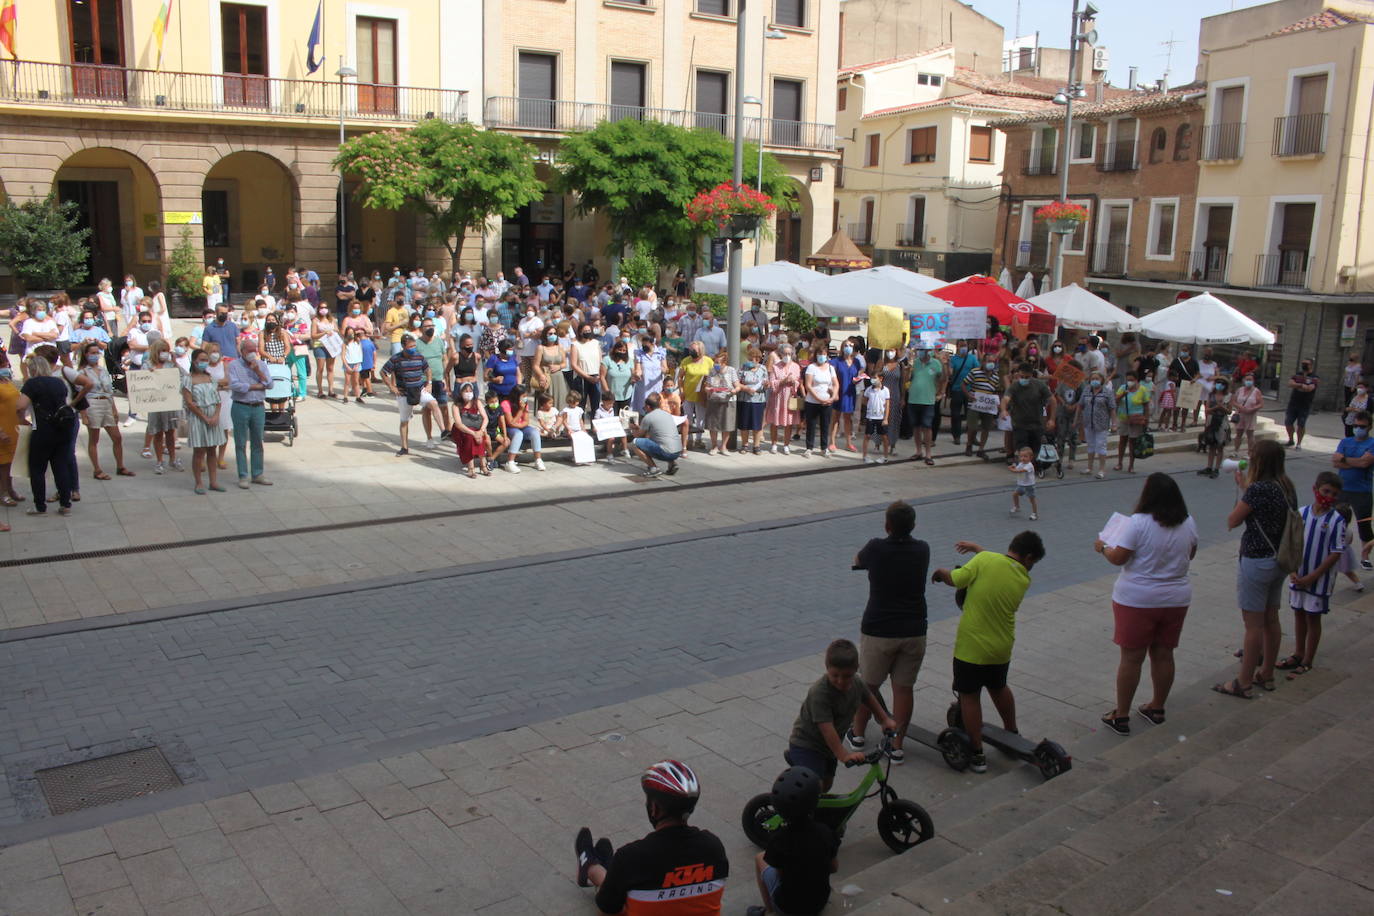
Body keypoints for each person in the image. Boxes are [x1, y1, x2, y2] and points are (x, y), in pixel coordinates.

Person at [930, 531, 1046, 773]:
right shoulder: (1022, 577)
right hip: (1001, 646)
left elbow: (957, 579)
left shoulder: (985, 561)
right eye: (1032, 562)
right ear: (1027, 557)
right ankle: (1011, 732)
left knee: (969, 696)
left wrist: (941, 573)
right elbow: (997, 563)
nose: (1030, 567)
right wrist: (977, 548)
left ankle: (977, 753)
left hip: (972, 646)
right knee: (998, 686)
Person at [1094, 473, 1198, 735]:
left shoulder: (1138, 523)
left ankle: (1121, 715)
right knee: (1164, 653)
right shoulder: (1187, 522)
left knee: (1131, 658)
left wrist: (1102, 547)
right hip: (1176, 597)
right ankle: (1157, 707)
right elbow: (1191, 553)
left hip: (1137, 598)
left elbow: (1119, 558)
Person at [573, 760, 728, 915]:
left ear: (654, 808)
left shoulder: (631, 857)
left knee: (613, 904)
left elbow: (608, 907)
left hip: (624, 877)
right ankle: (596, 869)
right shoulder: (713, 847)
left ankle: (591, 867)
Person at [847, 501, 928, 761]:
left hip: (879, 629)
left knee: (867, 686)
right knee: (903, 689)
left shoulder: (876, 547)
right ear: (913, 526)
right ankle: (896, 746)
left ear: (887, 525)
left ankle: (858, 734)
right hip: (914, 629)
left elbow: (858, 560)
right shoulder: (922, 549)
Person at [1217, 439, 1295, 698]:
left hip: (1256, 560)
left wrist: (1243, 491)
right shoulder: (1286, 485)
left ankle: (1244, 680)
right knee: (1272, 618)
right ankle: (1267, 673)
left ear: (1260, 460)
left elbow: (1233, 520)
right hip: (1280, 560)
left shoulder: (1258, 489)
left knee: (1253, 625)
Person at [785, 639, 896, 792]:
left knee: (826, 786)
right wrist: (844, 755)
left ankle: (803, 778)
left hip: (829, 748)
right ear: (827, 668)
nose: (840, 681)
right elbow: (826, 728)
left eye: (847, 676)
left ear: (856, 669)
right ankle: (791, 786)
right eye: (835, 675)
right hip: (807, 745)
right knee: (813, 786)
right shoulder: (820, 693)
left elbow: (869, 698)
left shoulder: (857, 683)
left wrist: (884, 720)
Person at [1275, 471, 1346, 678]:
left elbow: (1335, 552)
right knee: (1298, 613)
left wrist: (1313, 576)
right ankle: (1298, 652)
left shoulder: (1336, 520)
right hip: (1299, 574)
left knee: (1312, 618)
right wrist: (1294, 571)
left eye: (1333, 494)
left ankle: (1308, 659)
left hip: (1319, 580)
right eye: (1325, 491)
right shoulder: (1302, 513)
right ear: (1316, 490)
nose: (1328, 497)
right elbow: (1291, 543)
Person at [747, 767, 837, 916]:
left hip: (788, 906)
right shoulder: (825, 832)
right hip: (819, 902)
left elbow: (780, 873)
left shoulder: (779, 840)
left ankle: (770, 911)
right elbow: (834, 867)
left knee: (759, 859)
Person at [18, 354, 80, 516]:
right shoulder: (59, 382)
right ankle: (65, 504)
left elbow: (21, 406)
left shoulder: (31, 384)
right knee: (60, 467)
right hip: (62, 429)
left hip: (43, 430)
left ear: (32, 369)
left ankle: (40, 506)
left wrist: (22, 420)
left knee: (37, 469)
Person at [76, 341, 133, 480]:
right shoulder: (82, 372)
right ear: (86, 355)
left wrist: (114, 409)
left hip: (106, 403)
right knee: (94, 439)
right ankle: (97, 469)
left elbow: (109, 391)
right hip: (92, 404)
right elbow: (79, 395)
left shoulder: (103, 370)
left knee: (117, 437)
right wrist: (83, 414)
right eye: (92, 353)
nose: (96, 355)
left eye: (97, 353)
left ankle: (120, 466)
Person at [381, 334, 438, 457]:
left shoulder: (419, 357)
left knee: (433, 403)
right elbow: (383, 372)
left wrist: (429, 383)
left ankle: (444, 431)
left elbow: (427, 369)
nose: (413, 348)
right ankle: (404, 447)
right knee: (404, 421)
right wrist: (392, 387)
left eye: (414, 346)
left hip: (419, 389)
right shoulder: (396, 359)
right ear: (403, 346)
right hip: (404, 394)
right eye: (410, 346)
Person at [227, 338, 274, 488]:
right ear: (242, 351)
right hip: (241, 406)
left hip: (258, 406)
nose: (252, 353)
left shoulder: (261, 365)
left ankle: (257, 474)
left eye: (254, 350)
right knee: (240, 442)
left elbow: (270, 384)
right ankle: (243, 475)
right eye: (249, 350)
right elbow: (235, 385)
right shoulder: (234, 365)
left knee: (257, 442)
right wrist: (256, 386)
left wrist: (257, 371)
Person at [181, 348, 227, 494]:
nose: (204, 362)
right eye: (201, 359)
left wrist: (215, 416)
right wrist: (204, 417)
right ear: (194, 361)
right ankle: (199, 482)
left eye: (205, 360)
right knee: (199, 451)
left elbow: (218, 400)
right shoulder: (188, 379)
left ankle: (213, 481)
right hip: (198, 417)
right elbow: (189, 402)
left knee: (212, 450)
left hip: (212, 415)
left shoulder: (211, 378)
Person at [1333, 410, 1374, 569]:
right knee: (1336, 522)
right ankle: (1332, 551)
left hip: (1362, 490)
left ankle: (1365, 556)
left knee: (1364, 525)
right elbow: (1336, 463)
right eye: (1356, 425)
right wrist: (1356, 462)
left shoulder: (1372, 443)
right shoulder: (1345, 442)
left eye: (1362, 426)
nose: (1358, 428)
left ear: (1369, 426)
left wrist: (1344, 460)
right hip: (1342, 488)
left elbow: (1365, 464)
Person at [1003, 361, 1053, 468]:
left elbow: (1052, 400)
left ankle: (1033, 466)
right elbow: (1006, 398)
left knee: (1035, 448)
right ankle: (1024, 467)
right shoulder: (1015, 386)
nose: (1024, 379)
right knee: (1023, 448)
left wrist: (1051, 419)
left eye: (1027, 377)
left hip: (1036, 423)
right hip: (1020, 424)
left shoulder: (1039, 385)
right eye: (1022, 376)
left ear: (1031, 375)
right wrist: (1004, 410)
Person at [906, 347, 944, 466]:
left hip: (928, 401)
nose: (920, 352)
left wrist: (941, 392)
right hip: (913, 399)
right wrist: (908, 367)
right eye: (919, 350)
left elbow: (943, 378)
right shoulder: (915, 362)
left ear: (928, 350)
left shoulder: (936, 363)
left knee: (927, 427)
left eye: (922, 349)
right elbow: (906, 379)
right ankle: (918, 451)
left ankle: (928, 454)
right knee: (916, 427)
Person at [631, 392, 682, 478]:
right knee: (663, 440)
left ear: (648, 407)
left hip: (666, 452)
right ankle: (672, 463)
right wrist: (639, 428)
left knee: (635, 443)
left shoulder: (648, 417)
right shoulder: (667, 414)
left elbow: (638, 435)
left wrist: (632, 429)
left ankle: (653, 468)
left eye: (644, 407)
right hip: (677, 451)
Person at [962, 354, 1001, 460]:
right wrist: (969, 395)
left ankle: (981, 449)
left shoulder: (996, 376)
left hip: (988, 406)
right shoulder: (975, 372)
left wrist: (997, 402)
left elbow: (996, 390)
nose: (991, 363)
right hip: (975, 404)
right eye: (989, 361)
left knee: (986, 428)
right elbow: (964, 384)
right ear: (983, 362)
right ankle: (969, 445)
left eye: (993, 361)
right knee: (972, 427)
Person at [801, 348, 837, 458]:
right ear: (816, 355)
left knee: (825, 425)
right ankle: (809, 448)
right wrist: (819, 399)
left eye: (824, 354)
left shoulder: (830, 368)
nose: (822, 356)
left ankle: (824, 448)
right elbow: (808, 385)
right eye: (820, 354)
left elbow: (836, 384)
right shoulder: (811, 367)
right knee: (811, 425)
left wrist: (833, 397)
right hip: (812, 401)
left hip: (827, 401)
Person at [765, 344, 800, 455]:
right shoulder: (776, 366)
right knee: (775, 422)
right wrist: (783, 381)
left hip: (790, 398)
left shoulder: (796, 366)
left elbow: (799, 382)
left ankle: (786, 445)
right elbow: (772, 383)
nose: (787, 356)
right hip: (777, 397)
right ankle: (774, 444)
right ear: (780, 354)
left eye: (789, 354)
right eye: (785, 353)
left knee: (788, 422)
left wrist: (794, 381)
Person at [502, 386, 547, 473]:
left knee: (534, 432)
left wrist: (519, 425)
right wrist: (521, 410)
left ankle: (538, 460)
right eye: (523, 396)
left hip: (521, 426)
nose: (525, 398)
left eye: (526, 396)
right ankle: (510, 462)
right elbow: (510, 422)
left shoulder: (525, 403)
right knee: (518, 434)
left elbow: (526, 421)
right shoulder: (505, 404)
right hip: (509, 428)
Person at [703, 349, 739, 455]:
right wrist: (708, 390)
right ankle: (714, 446)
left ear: (724, 363)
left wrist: (734, 390)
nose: (715, 364)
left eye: (718, 362)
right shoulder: (712, 370)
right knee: (712, 424)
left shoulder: (731, 370)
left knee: (727, 423)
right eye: (715, 361)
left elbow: (737, 386)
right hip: (714, 400)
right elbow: (707, 386)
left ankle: (724, 447)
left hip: (728, 400)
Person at [1113, 371, 1150, 473]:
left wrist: (1146, 419)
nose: (1129, 382)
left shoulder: (1142, 390)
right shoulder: (1122, 388)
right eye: (1128, 380)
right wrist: (1122, 395)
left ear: (1136, 380)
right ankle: (1119, 463)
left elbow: (1146, 406)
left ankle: (1131, 465)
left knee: (1132, 442)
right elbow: (1115, 400)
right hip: (1123, 418)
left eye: (1131, 380)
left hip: (1136, 420)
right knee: (1122, 441)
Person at [1197, 378, 1231, 478]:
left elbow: (1229, 411)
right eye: (1217, 383)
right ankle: (1209, 467)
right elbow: (1207, 410)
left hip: (1222, 422)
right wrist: (1216, 407)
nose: (1219, 385)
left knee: (1220, 446)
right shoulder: (1211, 395)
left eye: (1221, 384)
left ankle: (1216, 469)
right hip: (1211, 421)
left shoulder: (1228, 396)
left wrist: (1222, 407)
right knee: (1211, 445)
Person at [1284, 359, 1319, 448]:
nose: (1304, 365)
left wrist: (1297, 385)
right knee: (1288, 422)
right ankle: (1291, 440)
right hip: (1293, 402)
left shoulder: (1314, 377)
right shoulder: (1297, 374)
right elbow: (1290, 383)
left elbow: (1310, 388)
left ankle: (1299, 443)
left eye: (1306, 364)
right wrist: (1301, 385)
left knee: (1301, 424)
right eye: (1303, 363)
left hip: (1305, 404)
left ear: (1311, 365)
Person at [1229, 372, 1263, 457]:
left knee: (1250, 434)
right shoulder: (1239, 390)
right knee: (1238, 433)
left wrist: (1253, 409)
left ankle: (1250, 453)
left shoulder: (1256, 391)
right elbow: (1233, 401)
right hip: (1240, 414)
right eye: (1247, 379)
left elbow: (1261, 404)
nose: (1248, 381)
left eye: (1250, 380)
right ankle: (1236, 451)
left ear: (1253, 381)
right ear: (1244, 380)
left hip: (1250, 415)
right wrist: (1239, 406)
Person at [1009, 446, 1039, 521]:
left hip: (1029, 486)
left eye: (1025, 456)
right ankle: (1017, 506)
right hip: (1021, 485)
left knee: (1032, 500)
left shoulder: (1029, 465)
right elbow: (1017, 468)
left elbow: (1020, 471)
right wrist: (1013, 466)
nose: (1023, 458)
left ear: (1030, 457)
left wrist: (1012, 470)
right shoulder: (1021, 463)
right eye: (1021, 456)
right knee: (1015, 494)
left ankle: (1034, 514)